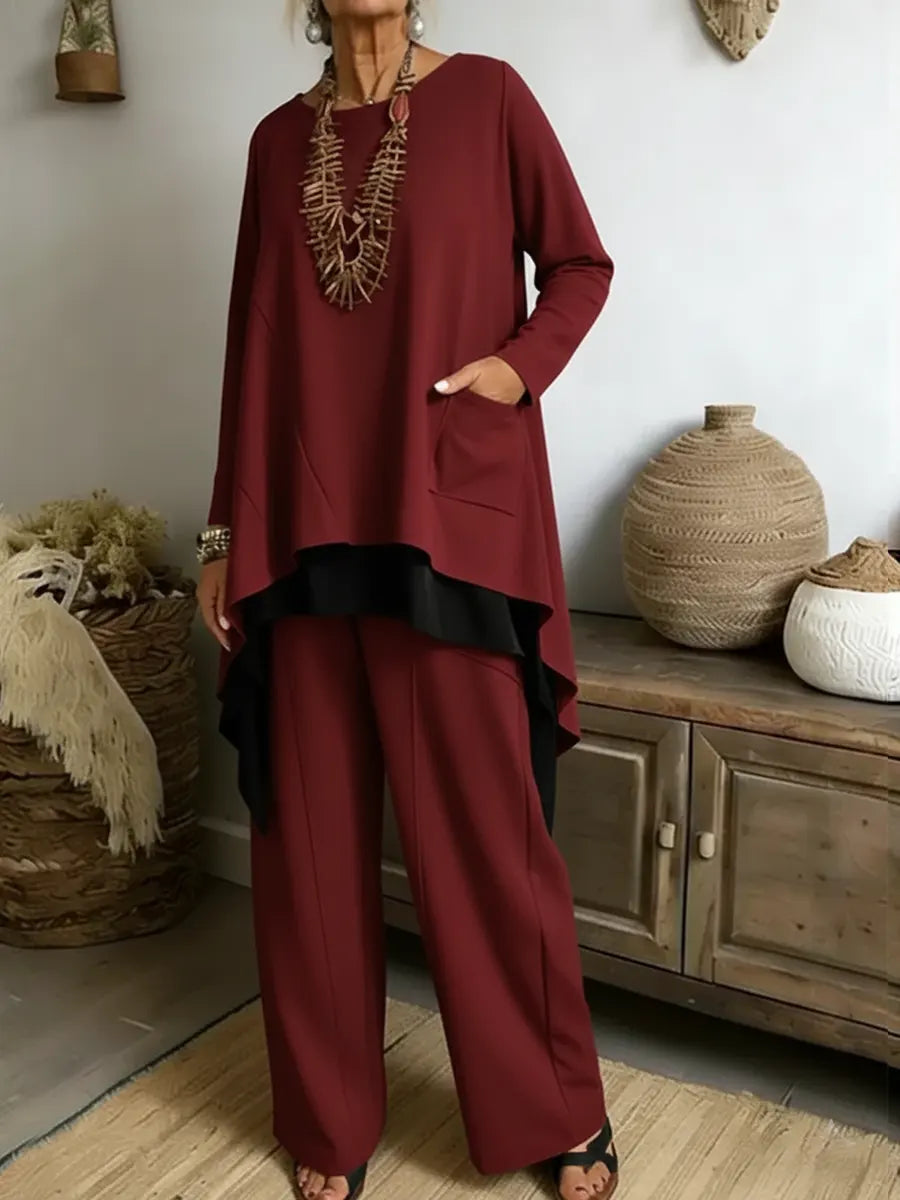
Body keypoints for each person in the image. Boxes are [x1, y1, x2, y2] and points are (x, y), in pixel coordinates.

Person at [198, 2, 617, 1198]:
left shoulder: (490, 98)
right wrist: (223, 532)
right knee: (308, 848)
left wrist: (515, 371)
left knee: (487, 840)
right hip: (301, 525)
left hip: (449, 518)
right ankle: (325, 1118)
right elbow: (249, 347)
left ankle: (551, 1108)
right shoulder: (277, 143)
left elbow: (580, 265)